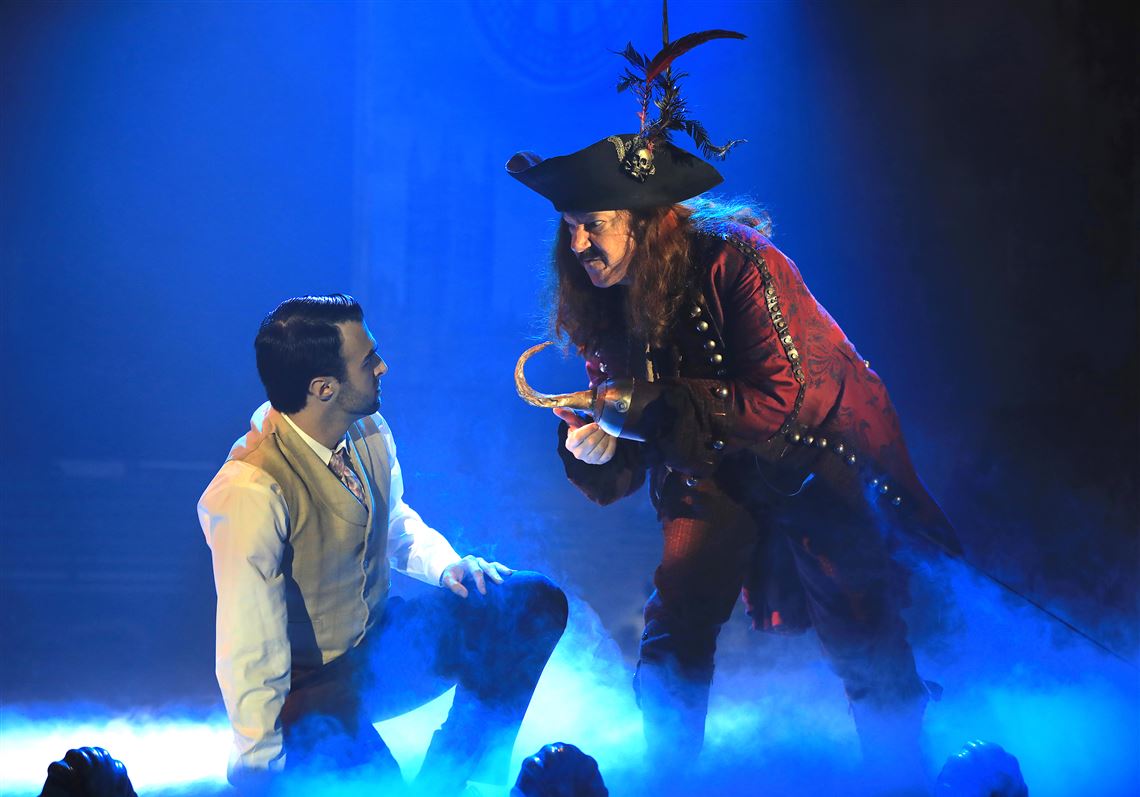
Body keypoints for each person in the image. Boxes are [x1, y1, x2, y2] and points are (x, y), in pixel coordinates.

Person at [505, 26, 959, 795]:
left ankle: (902, 775)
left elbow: (784, 399)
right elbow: (631, 443)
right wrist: (599, 445)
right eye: (570, 227)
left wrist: (649, 406)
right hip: (711, 468)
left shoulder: (739, 261)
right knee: (676, 614)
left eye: (595, 225)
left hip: (816, 456)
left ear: (644, 222)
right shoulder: (600, 305)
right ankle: (667, 778)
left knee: (861, 618)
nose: (579, 244)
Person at [198, 294, 568, 796]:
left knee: (530, 602)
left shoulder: (367, 426)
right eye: (368, 359)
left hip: (376, 651)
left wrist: (447, 566)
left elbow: (391, 518)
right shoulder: (249, 488)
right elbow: (248, 640)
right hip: (308, 689)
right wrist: (258, 766)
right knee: (382, 789)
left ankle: (459, 776)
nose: (382, 366)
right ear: (324, 388)